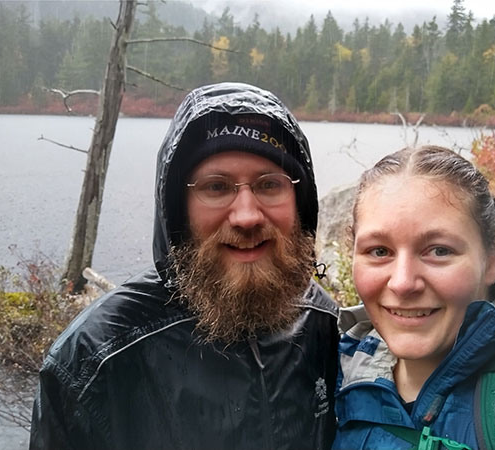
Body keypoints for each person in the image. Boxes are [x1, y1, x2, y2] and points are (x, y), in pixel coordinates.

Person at [30, 82, 339, 450]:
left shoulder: (321, 322)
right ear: (178, 212)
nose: (246, 216)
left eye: (269, 184)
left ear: (300, 204)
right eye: (216, 187)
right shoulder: (95, 362)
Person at [333, 145, 495, 450]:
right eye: (379, 251)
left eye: (439, 251)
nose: (403, 283)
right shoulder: (337, 370)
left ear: (494, 257)